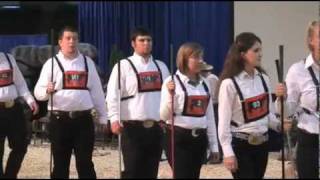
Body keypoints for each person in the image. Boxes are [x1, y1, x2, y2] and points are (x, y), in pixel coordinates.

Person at [34, 26, 108, 178]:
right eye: (68, 38)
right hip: (60, 120)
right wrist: (46, 91)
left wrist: (103, 116)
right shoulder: (51, 64)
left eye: (75, 38)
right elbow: (38, 93)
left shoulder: (87, 63)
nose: (72, 42)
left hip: (84, 121)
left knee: (85, 163)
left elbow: (97, 92)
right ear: (60, 42)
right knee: (60, 165)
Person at [217, 32, 291, 178]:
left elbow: (268, 115)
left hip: (262, 145)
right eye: (256, 50)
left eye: (260, 50)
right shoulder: (229, 84)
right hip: (241, 145)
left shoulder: (263, 79)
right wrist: (227, 152)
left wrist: (279, 125)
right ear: (243, 54)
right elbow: (223, 122)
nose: (260, 54)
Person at [106, 27, 170, 178]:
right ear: (133, 43)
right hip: (132, 128)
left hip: (155, 128)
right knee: (133, 170)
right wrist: (114, 119)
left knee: (151, 171)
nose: (146, 43)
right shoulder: (123, 66)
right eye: (142, 40)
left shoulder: (161, 67)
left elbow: (168, 97)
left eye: (149, 40)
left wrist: (167, 120)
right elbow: (112, 94)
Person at [160, 42, 219, 178]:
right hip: (178, 138)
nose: (201, 60)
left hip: (199, 140)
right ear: (184, 59)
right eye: (196, 57)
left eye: (201, 57)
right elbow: (163, 115)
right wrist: (171, 96)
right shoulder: (171, 82)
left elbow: (209, 117)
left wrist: (214, 145)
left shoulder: (205, 84)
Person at [282, 20, 319, 178]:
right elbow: (288, 108)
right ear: (311, 40)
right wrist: (281, 99)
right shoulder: (298, 70)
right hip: (309, 137)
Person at [0, 52, 39, 178]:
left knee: (21, 145)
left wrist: (30, 100)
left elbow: (20, 83)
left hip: (13, 109)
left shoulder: (8, 58)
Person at [200, 61, 223, 164]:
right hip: (208, 106)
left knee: (215, 130)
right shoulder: (202, 79)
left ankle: (217, 155)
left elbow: (212, 96)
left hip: (214, 106)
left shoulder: (211, 79)